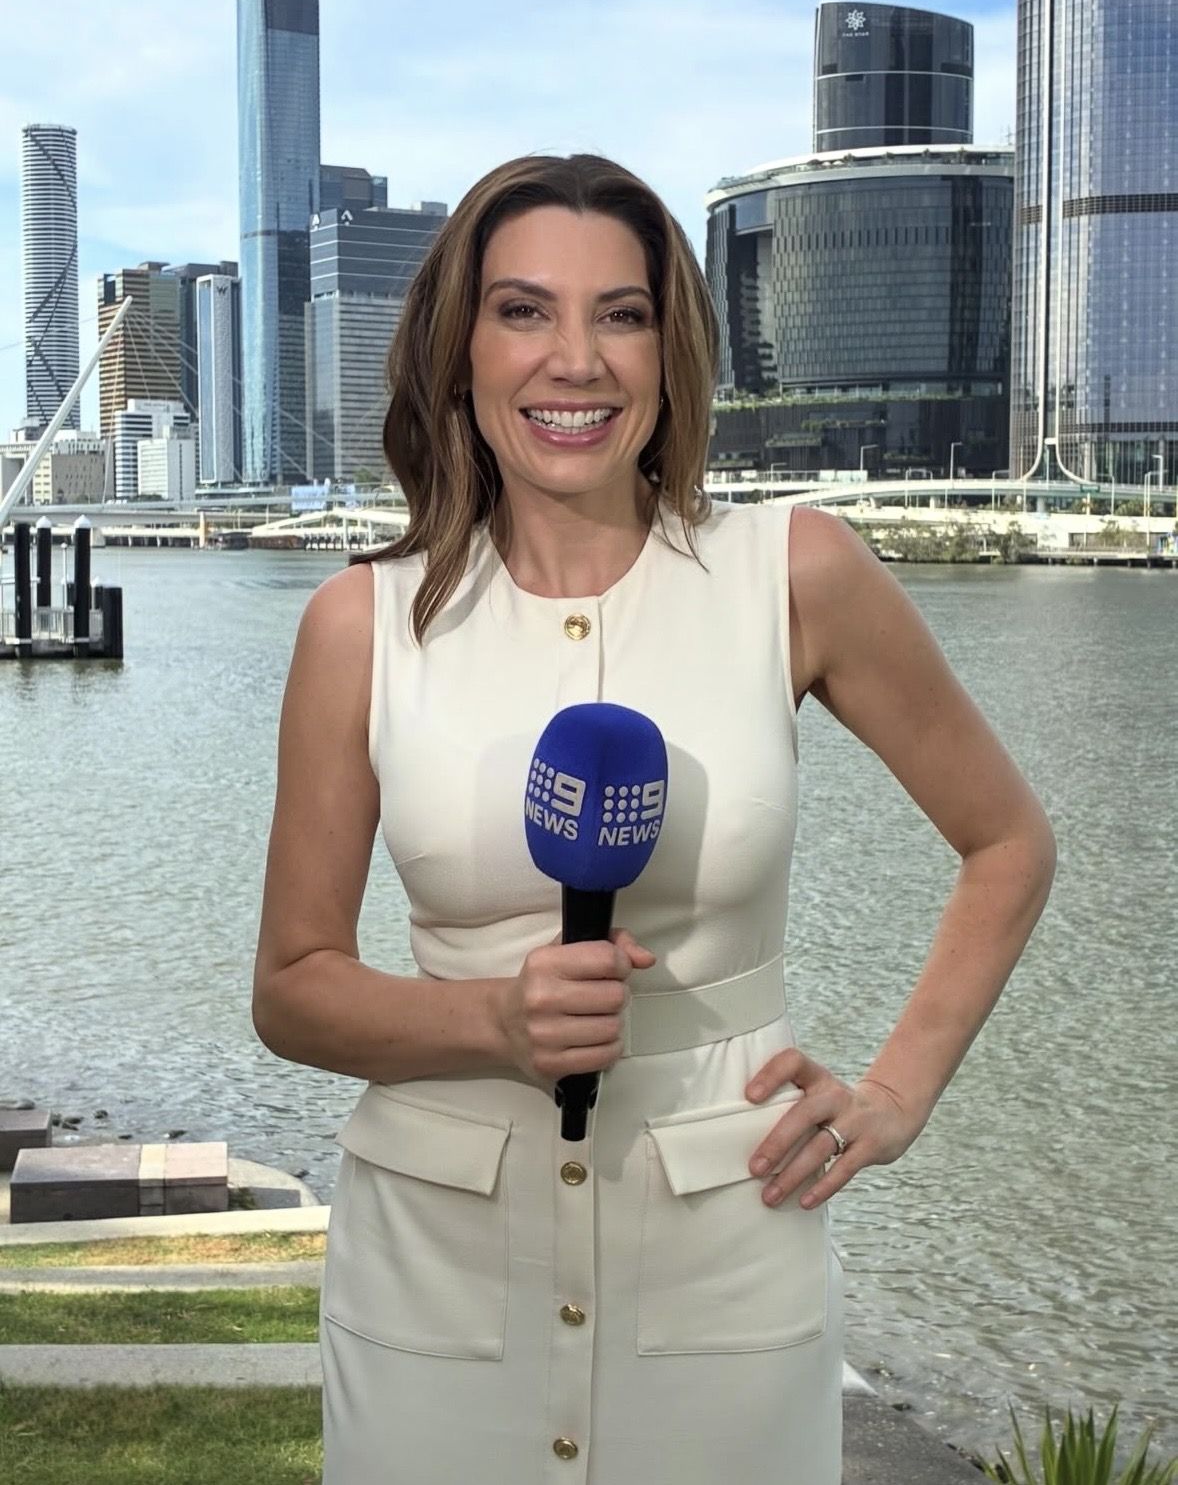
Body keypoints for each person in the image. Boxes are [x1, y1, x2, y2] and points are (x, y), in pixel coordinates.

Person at [252, 153, 1055, 1485]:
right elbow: (292, 989)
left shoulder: (793, 574)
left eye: (619, 315)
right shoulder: (362, 624)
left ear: (669, 356)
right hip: (435, 1278)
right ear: (459, 350)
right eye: (523, 311)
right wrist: (490, 1023)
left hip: (727, 1258)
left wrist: (894, 1093)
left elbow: (1008, 843)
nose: (575, 360)